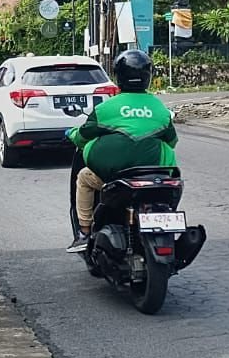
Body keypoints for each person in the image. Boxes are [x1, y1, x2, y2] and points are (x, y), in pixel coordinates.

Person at [66, 49, 178, 253]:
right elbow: (171, 141)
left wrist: (71, 134)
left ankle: (83, 232)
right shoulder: (160, 108)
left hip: (117, 180)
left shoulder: (106, 109)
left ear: (119, 76)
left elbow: (83, 136)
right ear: (148, 77)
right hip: (155, 179)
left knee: (83, 177)